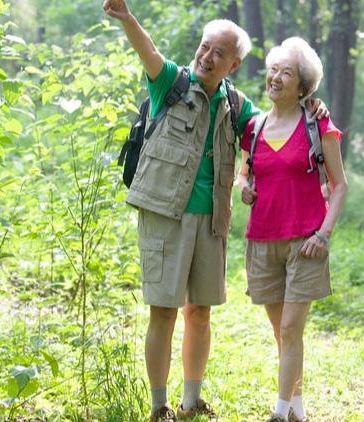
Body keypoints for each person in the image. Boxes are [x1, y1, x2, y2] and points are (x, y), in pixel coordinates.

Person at [103, 1, 327, 420]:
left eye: (218, 52)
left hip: (212, 222)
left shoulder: (237, 105)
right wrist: (128, 18)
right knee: (164, 311)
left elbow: (278, 127)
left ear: (234, 63)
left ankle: (191, 400)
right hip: (165, 214)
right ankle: (159, 406)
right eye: (205, 47)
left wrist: (311, 105)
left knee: (199, 313)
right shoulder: (170, 81)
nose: (207, 56)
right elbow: (148, 51)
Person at [237, 37, 348, 422]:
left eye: (287, 72)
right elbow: (244, 171)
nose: (276, 77)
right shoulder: (254, 126)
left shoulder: (318, 123)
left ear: (303, 86)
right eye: (273, 69)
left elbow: (340, 185)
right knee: (283, 334)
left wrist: (324, 234)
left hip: (306, 241)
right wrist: (244, 187)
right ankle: (298, 408)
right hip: (263, 240)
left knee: (290, 327)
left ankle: (280, 413)